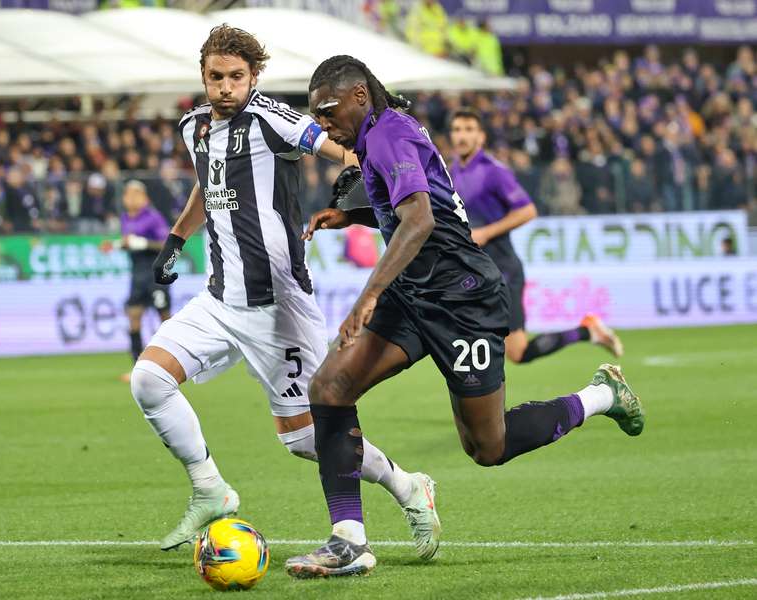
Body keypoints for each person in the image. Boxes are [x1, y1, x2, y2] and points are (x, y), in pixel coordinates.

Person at [284, 55, 645, 578]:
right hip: (413, 295)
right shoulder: (377, 133)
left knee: (488, 446)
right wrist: (352, 215)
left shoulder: (390, 137)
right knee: (330, 388)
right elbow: (409, 203)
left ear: (360, 95)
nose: (321, 122)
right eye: (315, 113)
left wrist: (368, 296)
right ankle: (349, 541)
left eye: (328, 110)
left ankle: (602, 396)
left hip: (463, 301)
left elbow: (421, 220)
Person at [129, 26, 440, 558]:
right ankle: (210, 490)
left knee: (305, 439)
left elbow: (336, 142)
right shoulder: (194, 129)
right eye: (215, 77)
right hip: (220, 299)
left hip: (280, 308)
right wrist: (176, 238)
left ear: (254, 78)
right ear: (203, 77)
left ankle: (408, 486)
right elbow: (209, 182)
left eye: (236, 77)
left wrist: (349, 171)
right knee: (149, 380)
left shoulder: (272, 116)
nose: (225, 87)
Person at [448, 109, 623, 365]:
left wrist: (486, 232)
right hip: (474, 270)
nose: (461, 136)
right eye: (457, 130)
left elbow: (528, 210)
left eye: (468, 129)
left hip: (502, 270)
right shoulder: (451, 171)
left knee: (517, 353)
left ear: (481, 136)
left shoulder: (493, 171)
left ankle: (588, 330)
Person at [107, 180, 173, 381]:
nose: (130, 198)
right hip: (137, 273)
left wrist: (140, 242)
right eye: (127, 194)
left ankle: (173, 363)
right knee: (134, 316)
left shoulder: (153, 217)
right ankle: (138, 367)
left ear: (144, 198)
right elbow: (130, 243)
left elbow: (165, 243)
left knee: (165, 318)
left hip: (155, 272)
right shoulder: (126, 218)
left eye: (135, 194)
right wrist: (117, 245)